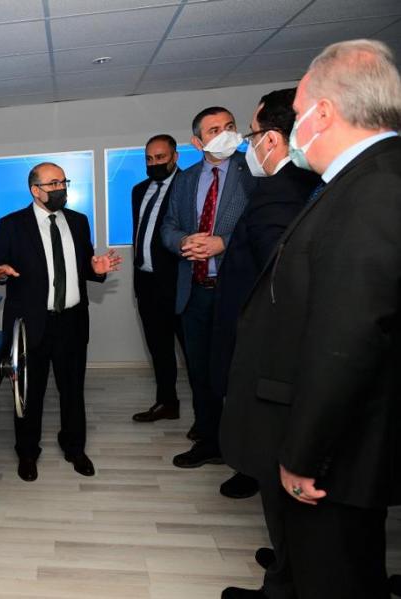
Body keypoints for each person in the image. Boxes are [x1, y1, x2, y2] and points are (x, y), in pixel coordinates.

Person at [219, 39, 401, 599]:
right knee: (318, 563)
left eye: (296, 114)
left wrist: (303, 456)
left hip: (334, 449)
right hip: (336, 434)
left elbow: (346, 340)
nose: (290, 128)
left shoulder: (376, 189)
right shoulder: (356, 180)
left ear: (323, 113)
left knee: (336, 573)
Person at [212, 88, 322, 504]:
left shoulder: (277, 193)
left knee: (266, 428)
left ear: (272, 139)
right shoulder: (307, 184)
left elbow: (282, 282)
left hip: (267, 345)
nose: (249, 144)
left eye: (251, 134)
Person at [0, 162, 122, 482]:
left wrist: (97, 269)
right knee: (29, 393)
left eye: (64, 182)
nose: (61, 188)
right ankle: (27, 452)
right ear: (35, 191)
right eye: (54, 184)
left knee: (72, 390)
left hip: (71, 321)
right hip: (31, 324)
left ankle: (74, 448)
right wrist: (1, 274)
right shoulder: (11, 224)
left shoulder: (78, 221)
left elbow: (84, 266)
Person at [160, 106, 255, 468]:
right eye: (214, 130)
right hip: (196, 290)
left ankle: (244, 449)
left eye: (229, 126)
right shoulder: (185, 180)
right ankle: (209, 439)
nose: (225, 133)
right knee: (200, 372)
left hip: (237, 291)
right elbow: (168, 226)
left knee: (239, 374)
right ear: (197, 142)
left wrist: (222, 243)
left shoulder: (254, 171)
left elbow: (265, 227)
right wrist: (184, 241)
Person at [130, 134, 186, 423]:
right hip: (147, 283)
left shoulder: (189, 185)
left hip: (180, 284)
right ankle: (167, 403)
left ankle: (208, 419)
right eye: (149, 159)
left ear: (175, 157)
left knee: (192, 352)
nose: (154, 164)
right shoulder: (139, 190)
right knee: (159, 349)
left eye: (160, 158)